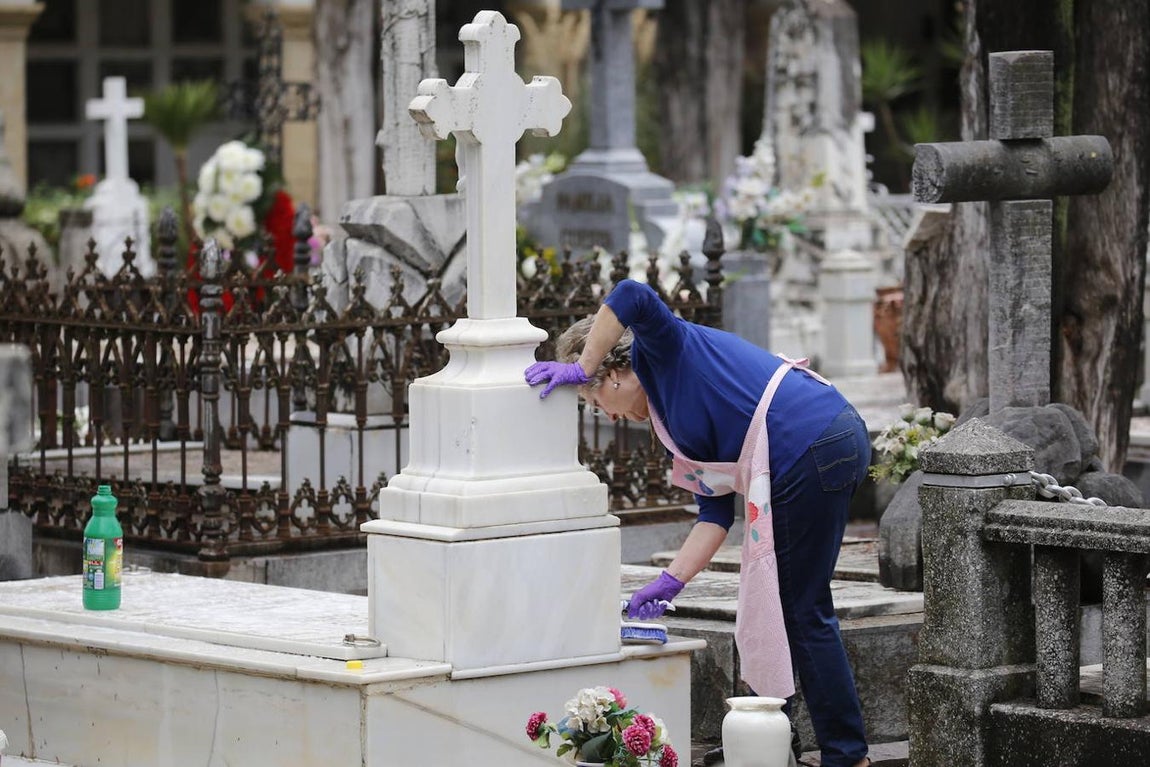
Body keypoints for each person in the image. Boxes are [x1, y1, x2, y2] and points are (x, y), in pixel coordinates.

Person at [525, 279, 871, 767]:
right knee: (786, 604)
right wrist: (669, 582)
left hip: (811, 444)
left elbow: (630, 294)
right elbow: (713, 514)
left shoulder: (663, 351)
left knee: (801, 609)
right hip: (820, 443)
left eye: (591, 396)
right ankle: (771, 740)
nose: (601, 412)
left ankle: (847, 757)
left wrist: (579, 365)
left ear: (615, 372)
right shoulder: (667, 421)